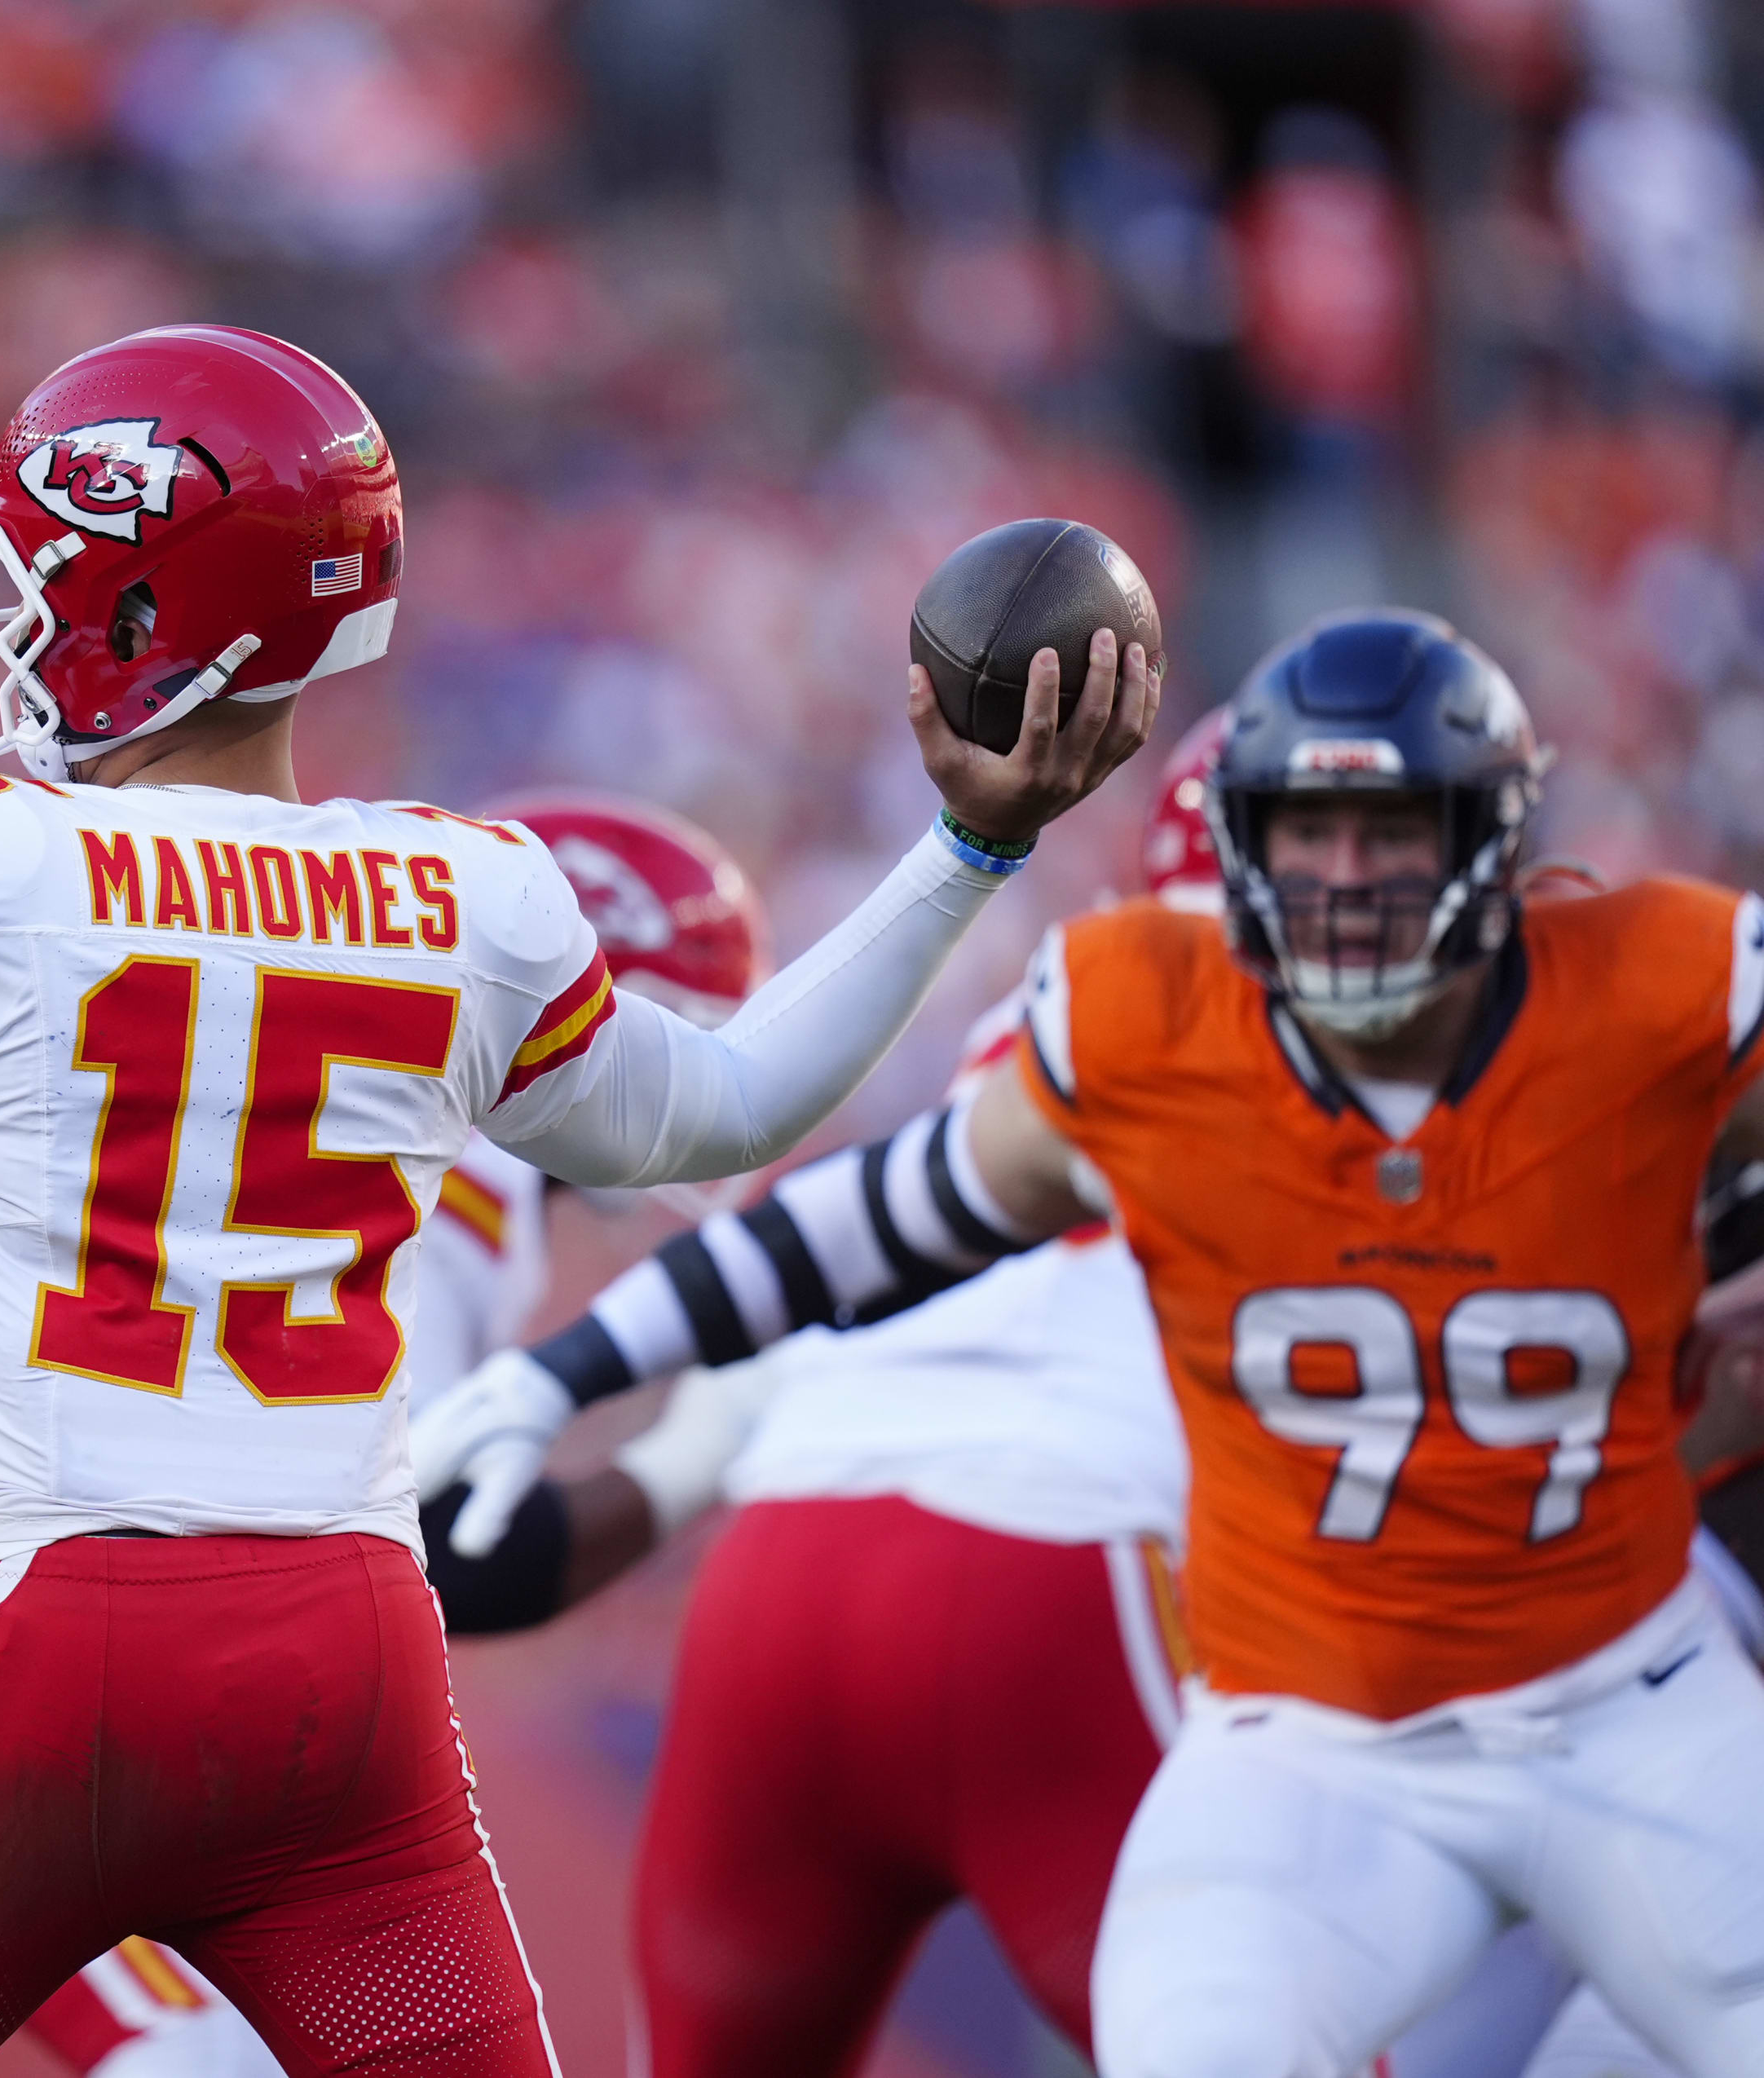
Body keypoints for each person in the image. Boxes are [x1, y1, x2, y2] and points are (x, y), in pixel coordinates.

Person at [0, 323, 1153, 2078]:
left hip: (27, 1649)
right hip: (345, 1680)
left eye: (57, 574)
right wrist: (972, 847)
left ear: (155, 613)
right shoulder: (463, 898)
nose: (21, 616)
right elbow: (733, 1103)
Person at [412, 610, 1764, 2077]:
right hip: (1183, 1631)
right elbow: (871, 1223)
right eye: (1313, 841)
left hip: (804, 1554)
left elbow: (836, 1240)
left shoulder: (1641, 996)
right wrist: (576, 1374)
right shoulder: (1143, 1025)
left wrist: (599, 1397)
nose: (1349, 888)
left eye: (1393, 837)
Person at [0, 793, 770, 2078]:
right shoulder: (467, 1155)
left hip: (61, 1613)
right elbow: (462, 1554)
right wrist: (704, 1453)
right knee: (197, 2061)